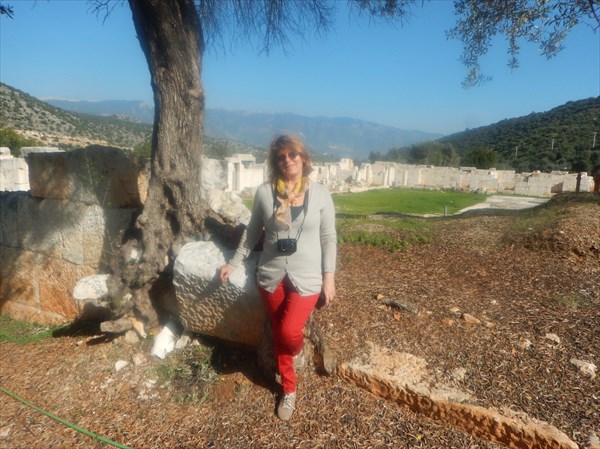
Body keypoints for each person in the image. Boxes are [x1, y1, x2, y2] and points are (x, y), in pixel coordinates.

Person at [219, 134, 337, 421]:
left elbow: (328, 237)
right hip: (272, 274)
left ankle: (298, 346)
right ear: (275, 162)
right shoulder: (265, 193)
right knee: (279, 331)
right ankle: (289, 388)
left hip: (307, 276)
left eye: (292, 154)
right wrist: (233, 263)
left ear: (303, 158)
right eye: (280, 156)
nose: (287, 160)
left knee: (287, 333)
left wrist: (329, 277)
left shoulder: (321, 194)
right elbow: (252, 233)